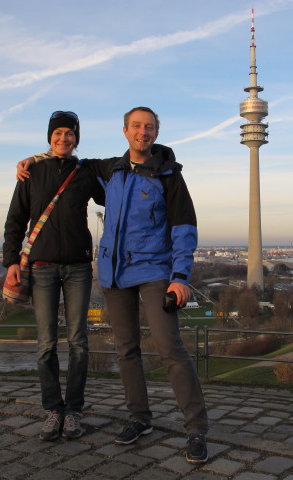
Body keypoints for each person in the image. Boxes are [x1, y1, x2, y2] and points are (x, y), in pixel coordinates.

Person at [17, 106, 209, 463]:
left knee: (170, 349)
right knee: (126, 350)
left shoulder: (168, 175)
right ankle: (139, 417)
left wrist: (180, 277)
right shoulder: (108, 170)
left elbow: (184, 229)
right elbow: (67, 157)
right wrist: (32, 159)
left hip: (154, 273)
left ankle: (195, 428)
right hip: (115, 276)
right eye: (136, 126)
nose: (142, 132)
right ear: (124, 131)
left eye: (149, 127)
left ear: (155, 132)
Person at [3, 111, 105, 441]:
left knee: (78, 342)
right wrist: (11, 262)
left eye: (70, 133)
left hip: (77, 266)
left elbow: (113, 192)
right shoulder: (33, 171)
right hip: (42, 267)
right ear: (50, 137)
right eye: (58, 133)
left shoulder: (85, 171)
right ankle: (52, 409)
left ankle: (73, 410)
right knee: (46, 342)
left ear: (77, 137)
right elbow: (15, 220)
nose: (64, 138)